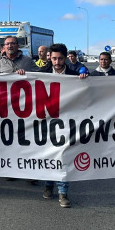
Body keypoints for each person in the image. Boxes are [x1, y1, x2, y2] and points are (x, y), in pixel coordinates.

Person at [37, 43, 88, 207]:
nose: (57, 62)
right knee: (48, 154)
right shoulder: (40, 74)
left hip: (66, 122)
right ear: (49, 58)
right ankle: (48, 184)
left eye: (60, 58)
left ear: (65, 58)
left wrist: (85, 80)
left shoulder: (75, 76)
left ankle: (63, 192)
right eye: (54, 58)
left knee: (64, 155)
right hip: (46, 122)